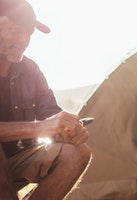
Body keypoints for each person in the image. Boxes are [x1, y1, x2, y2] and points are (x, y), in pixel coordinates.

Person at [0, 0, 92, 199]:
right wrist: (40, 127)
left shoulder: (30, 69)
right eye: (17, 30)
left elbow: (51, 114)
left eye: (29, 33)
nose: (24, 40)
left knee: (78, 153)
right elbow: (43, 125)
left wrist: (68, 129)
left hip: (17, 158)